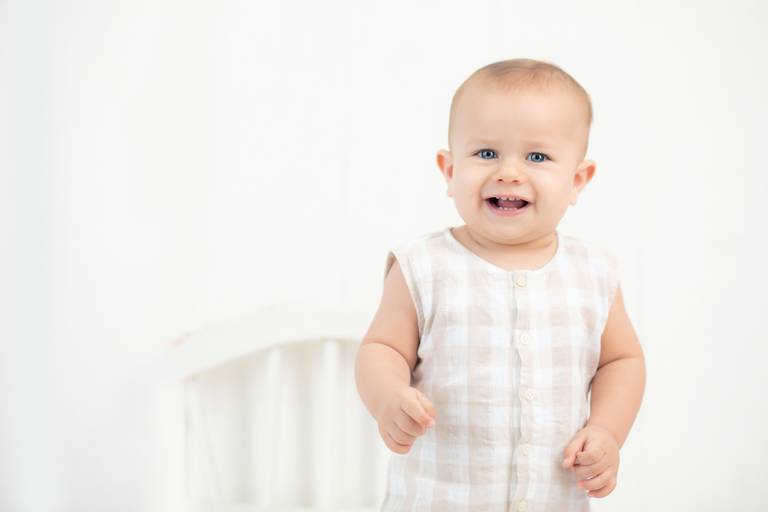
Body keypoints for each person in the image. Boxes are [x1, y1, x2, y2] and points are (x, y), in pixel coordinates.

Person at [354, 58, 646, 511]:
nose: (509, 172)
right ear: (450, 171)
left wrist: (607, 430)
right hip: (437, 500)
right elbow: (382, 348)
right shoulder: (423, 266)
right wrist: (389, 397)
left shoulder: (593, 273)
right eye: (487, 153)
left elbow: (621, 361)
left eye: (537, 157)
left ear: (577, 180)